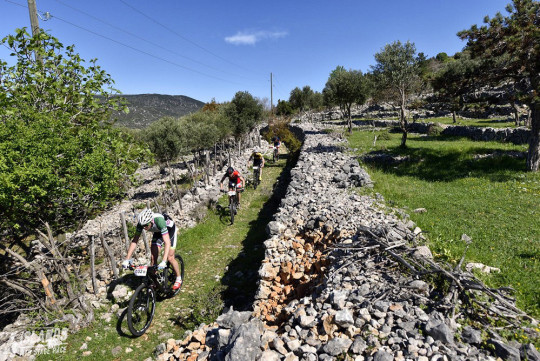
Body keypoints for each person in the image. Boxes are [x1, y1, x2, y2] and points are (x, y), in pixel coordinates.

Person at [122, 208, 182, 290]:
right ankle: (156, 282)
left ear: (151, 221)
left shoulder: (159, 221)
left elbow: (167, 243)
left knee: (170, 257)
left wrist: (164, 261)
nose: (145, 228)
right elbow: (134, 241)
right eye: (143, 226)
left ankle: (178, 278)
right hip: (158, 233)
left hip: (169, 231)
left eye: (146, 225)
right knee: (153, 259)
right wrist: (127, 259)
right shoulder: (142, 224)